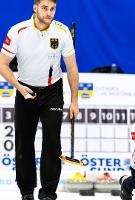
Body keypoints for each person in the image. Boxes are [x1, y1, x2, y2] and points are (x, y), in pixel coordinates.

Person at [0, 0, 79, 199]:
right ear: (35, 8)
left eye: (52, 9)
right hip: (25, 88)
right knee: (24, 142)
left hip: (53, 91)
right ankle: (26, 191)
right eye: (44, 8)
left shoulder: (62, 31)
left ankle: (48, 193)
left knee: (53, 141)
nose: (49, 13)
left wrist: (75, 101)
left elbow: (71, 68)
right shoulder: (18, 31)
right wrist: (19, 87)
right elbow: (2, 64)